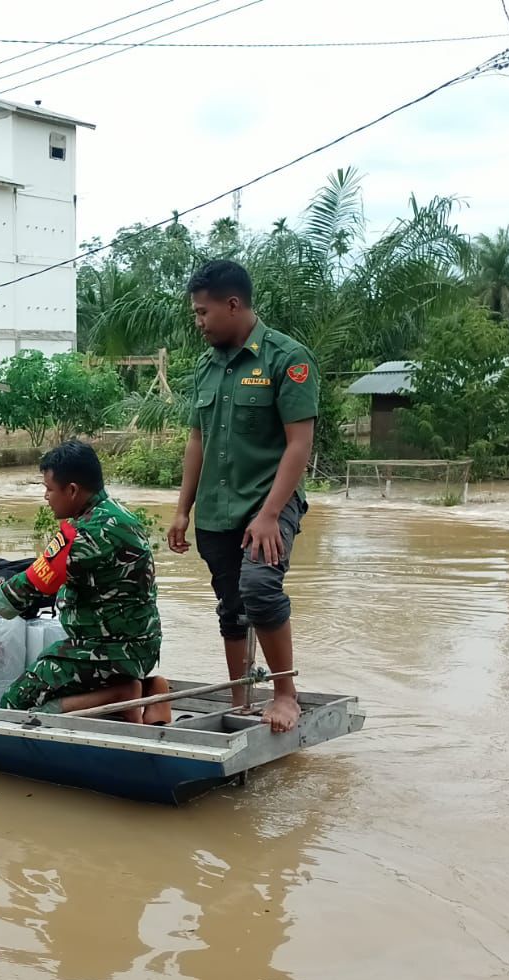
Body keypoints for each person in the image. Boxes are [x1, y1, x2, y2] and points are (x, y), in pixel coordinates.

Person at [169, 259, 317, 733]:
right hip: (217, 507)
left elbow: (299, 444)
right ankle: (240, 699)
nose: (199, 322)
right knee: (231, 605)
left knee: (260, 588)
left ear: (233, 305)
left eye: (203, 312)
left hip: (269, 502)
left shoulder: (286, 359)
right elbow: (197, 439)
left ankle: (285, 694)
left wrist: (270, 514)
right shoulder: (205, 366)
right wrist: (183, 509)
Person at [0, 440, 168, 720]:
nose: (46, 497)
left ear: (72, 490)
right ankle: (145, 690)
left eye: (49, 489)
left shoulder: (84, 536)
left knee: (14, 706)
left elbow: (24, 589)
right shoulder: (119, 514)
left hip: (108, 652)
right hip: (142, 645)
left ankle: (122, 694)